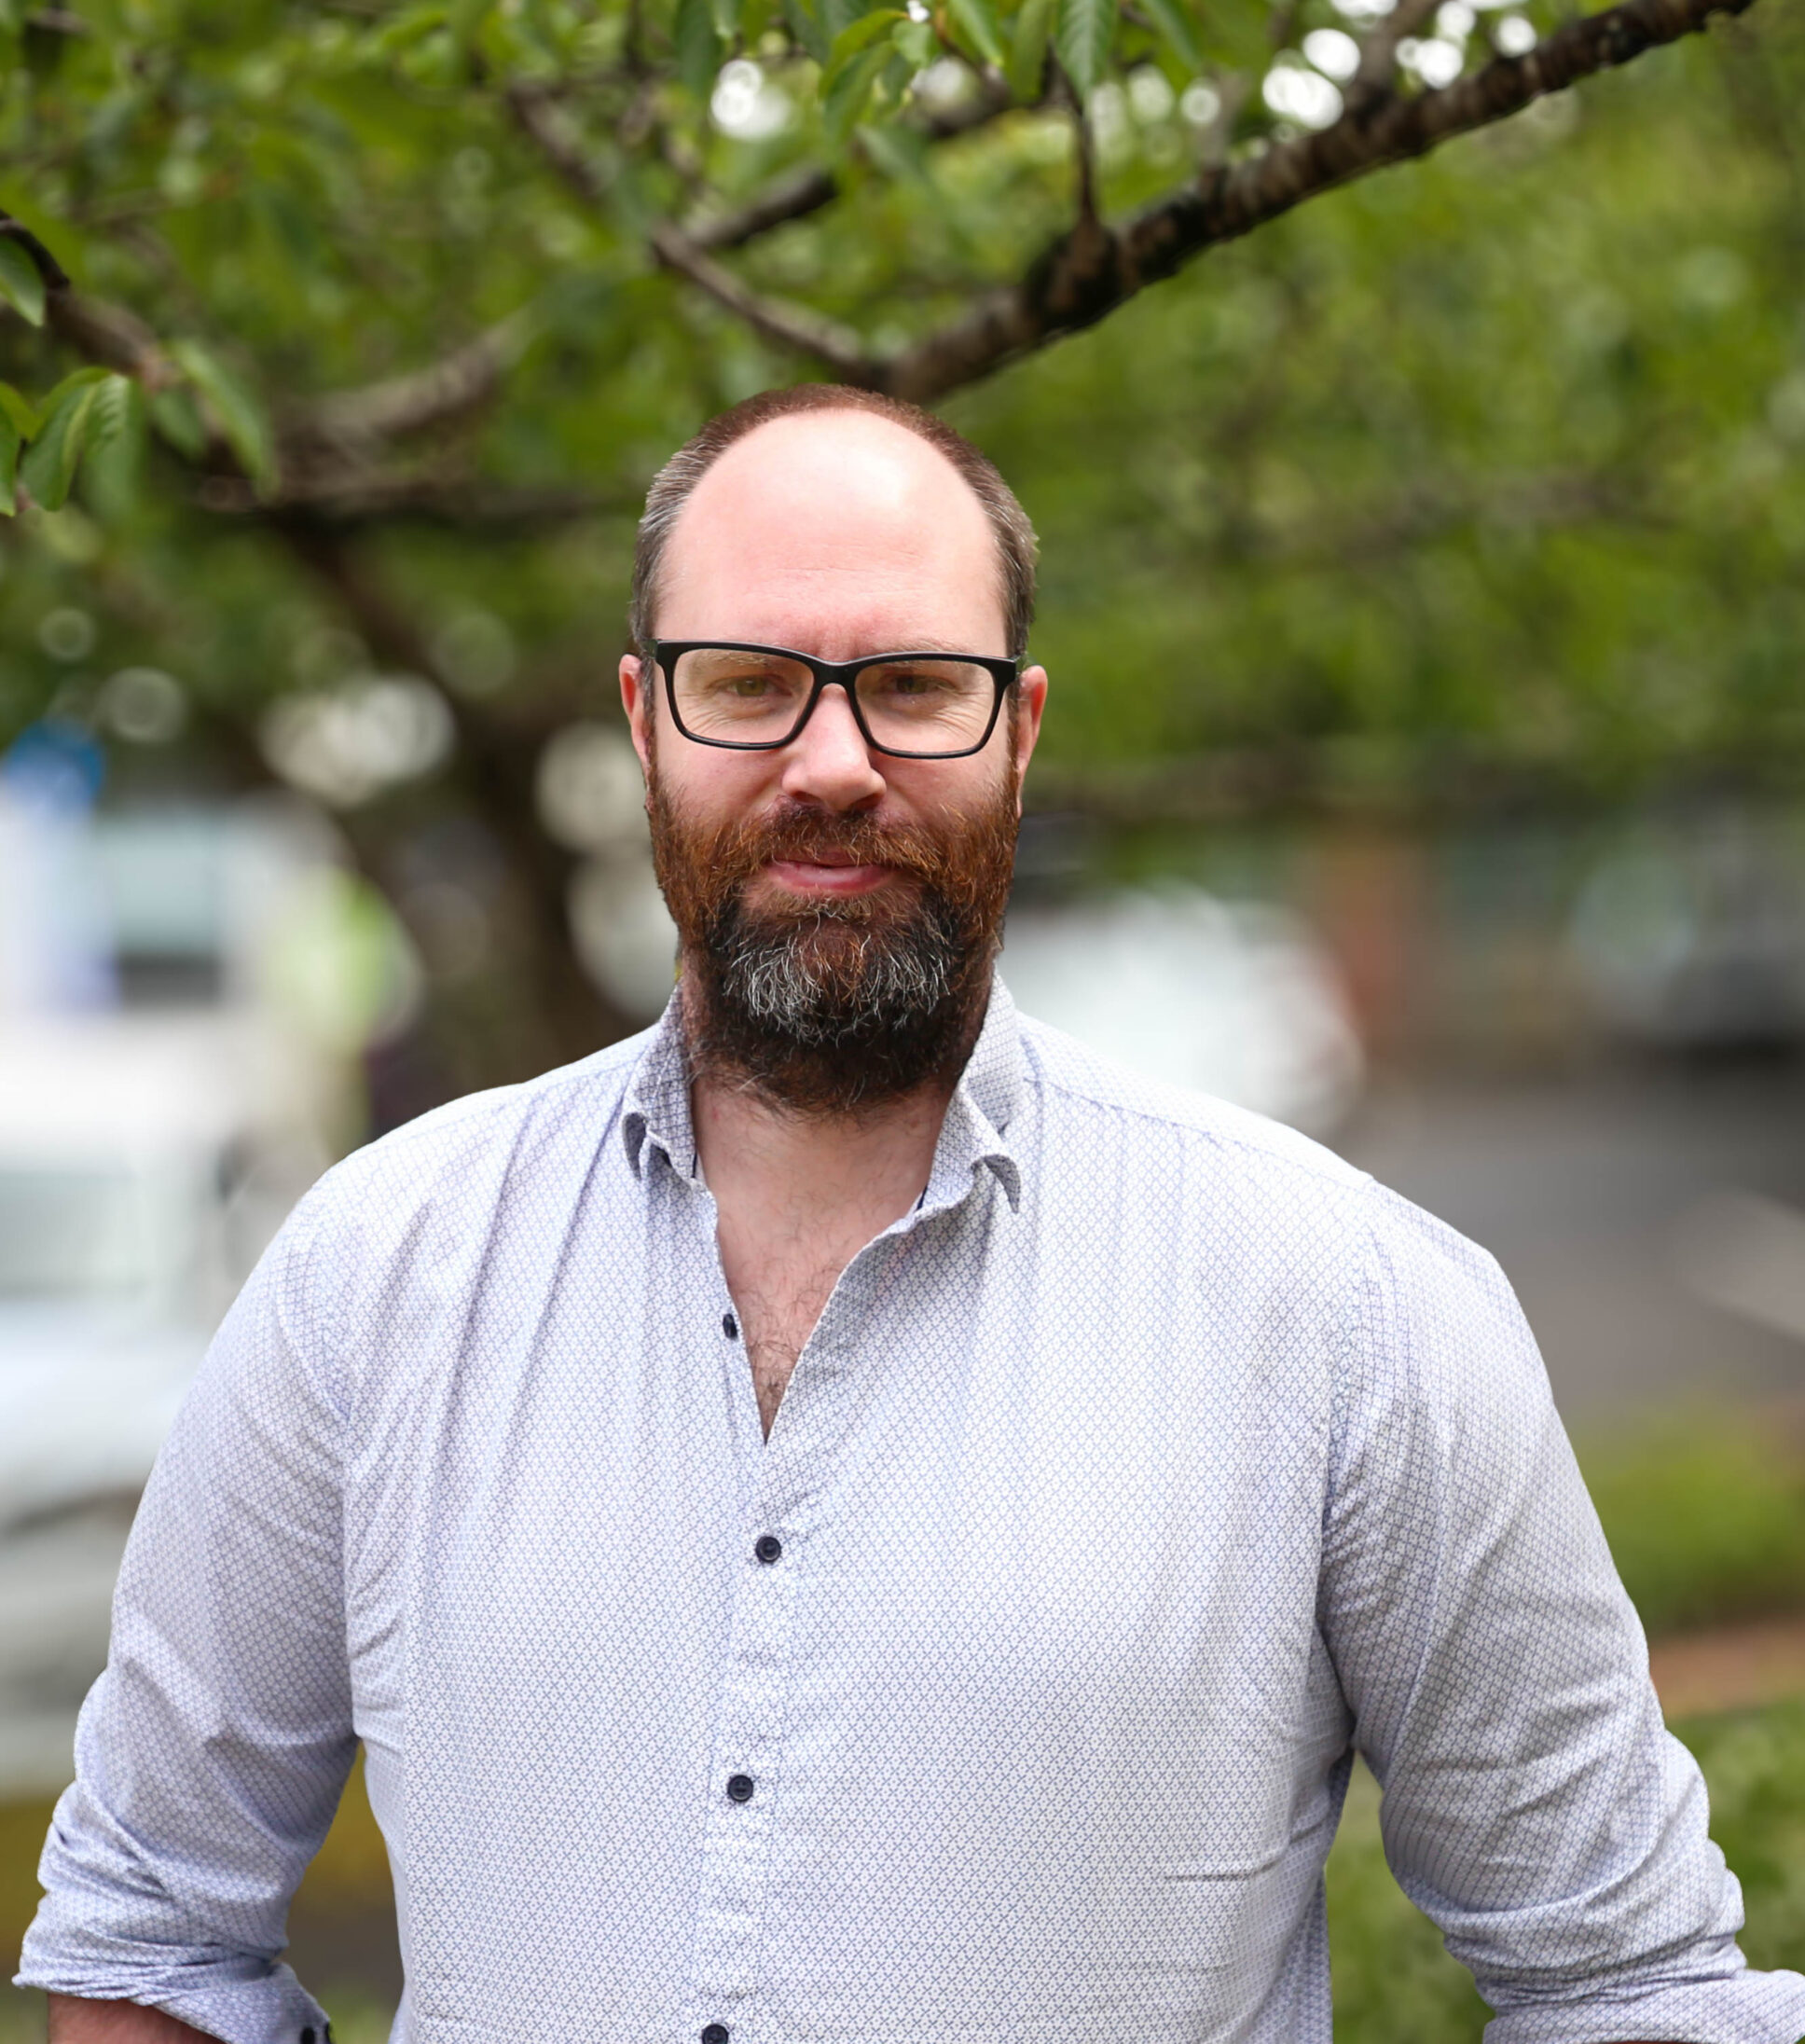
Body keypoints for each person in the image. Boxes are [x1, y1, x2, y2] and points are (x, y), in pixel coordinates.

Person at [19, 384, 1804, 2044]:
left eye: (915, 684)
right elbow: (146, 1930)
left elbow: (1627, 1983)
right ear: (646, 718)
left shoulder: (1346, 1311)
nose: (831, 761)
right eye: (747, 681)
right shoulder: (371, 1275)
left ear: (1017, 731)